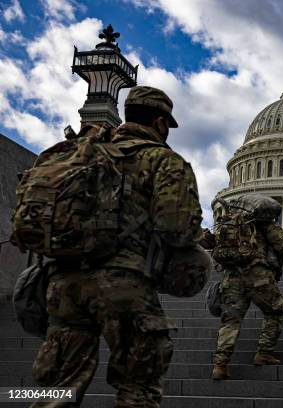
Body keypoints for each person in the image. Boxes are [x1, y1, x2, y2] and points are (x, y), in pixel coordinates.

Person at [30, 86, 205, 407]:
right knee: (138, 390)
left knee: (57, 390)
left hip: (62, 284)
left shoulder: (80, 153)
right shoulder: (163, 160)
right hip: (123, 285)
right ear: (161, 123)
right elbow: (177, 229)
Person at [211, 200, 283, 380]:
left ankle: (220, 364)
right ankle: (264, 352)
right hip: (258, 276)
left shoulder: (227, 223)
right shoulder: (264, 224)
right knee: (276, 309)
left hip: (231, 277)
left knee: (230, 321)